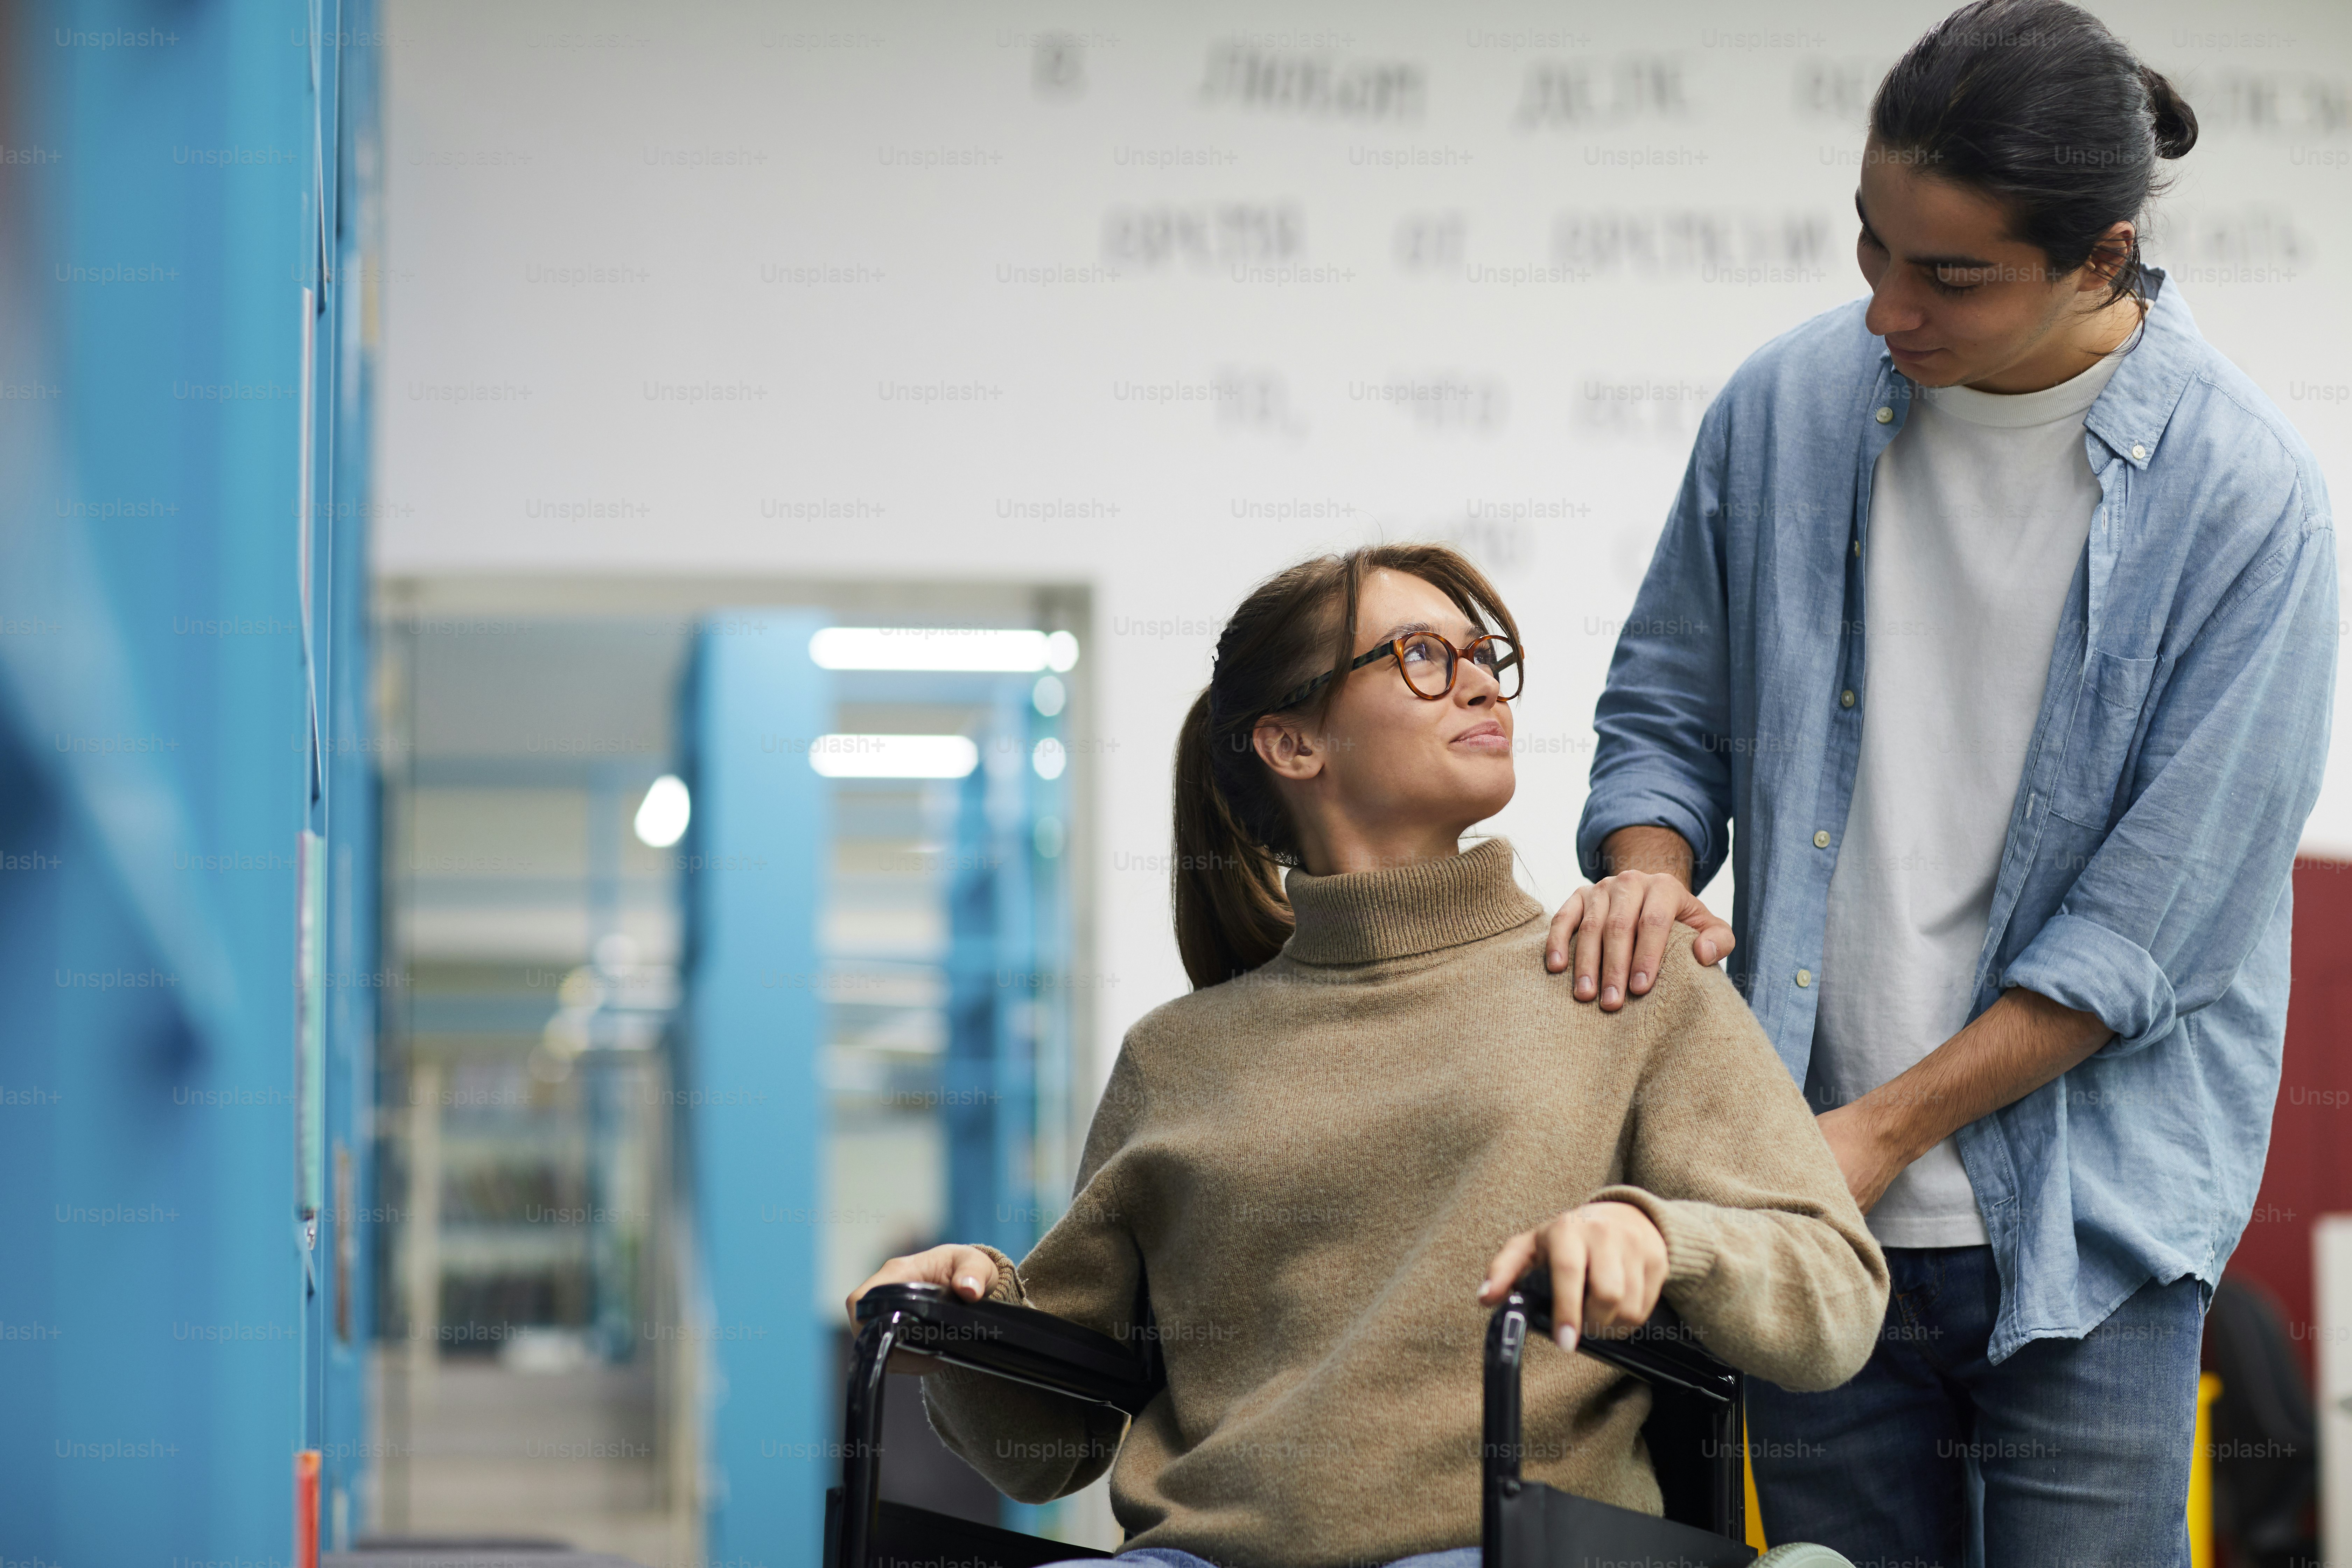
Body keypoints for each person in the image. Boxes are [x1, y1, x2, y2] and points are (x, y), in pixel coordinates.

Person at [1548, 2, 2338, 1562]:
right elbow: (1663, 708)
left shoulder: (2250, 504)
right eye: (1870, 246)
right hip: (1809, 1213)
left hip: (2086, 1223)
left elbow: (2145, 937)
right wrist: (1650, 861)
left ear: (2102, 259)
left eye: (1951, 273)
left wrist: (1877, 1133)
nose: (1889, 307)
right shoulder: (1784, 409)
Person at [847, 545, 1889, 1568]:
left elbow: (1833, 1295)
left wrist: (1661, 1240)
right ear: (1294, 745)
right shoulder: (1176, 1057)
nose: (1480, 680)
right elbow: (1049, 1449)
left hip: (1497, 1543)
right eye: (1425, 655)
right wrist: (965, 1308)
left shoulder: (1622, 975)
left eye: (1486, 656)